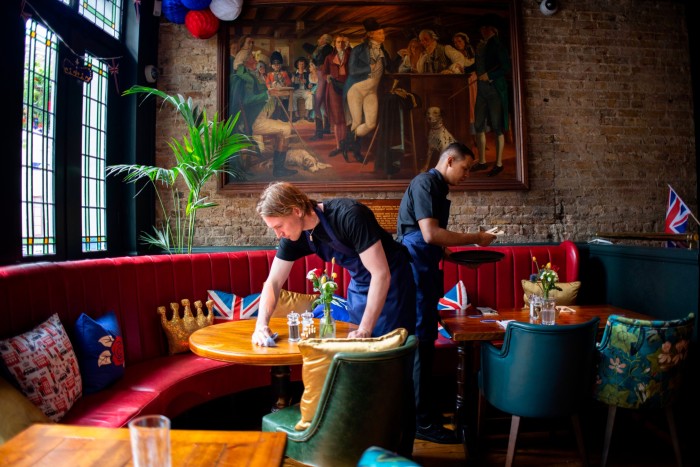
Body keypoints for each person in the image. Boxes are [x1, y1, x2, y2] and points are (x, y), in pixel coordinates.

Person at [397, 142, 496, 444]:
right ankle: (421, 422)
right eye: (466, 168)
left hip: (423, 270)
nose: (467, 174)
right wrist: (477, 239)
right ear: (450, 160)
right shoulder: (426, 182)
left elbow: (433, 242)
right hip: (415, 273)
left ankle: (422, 414)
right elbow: (428, 234)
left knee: (423, 344)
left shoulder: (436, 188)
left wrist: (459, 257)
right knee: (419, 345)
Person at [230, 36, 297, 178]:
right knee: (286, 128)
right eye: (252, 58)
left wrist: (269, 92)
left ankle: (279, 167)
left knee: (284, 125)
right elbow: (247, 100)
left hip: (260, 117)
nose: (255, 60)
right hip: (254, 121)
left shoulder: (252, 76)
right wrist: (267, 94)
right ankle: (278, 169)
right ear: (247, 62)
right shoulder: (246, 79)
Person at [344, 18, 396, 162]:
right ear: (371, 34)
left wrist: (400, 56)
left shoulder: (382, 50)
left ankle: (347, 141)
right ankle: (357, 152)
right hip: (356, 90)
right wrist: (369, 68)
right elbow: (353, 70)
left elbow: (390, 68)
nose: (383, 36)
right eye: (380, 33)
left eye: (383, 33)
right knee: (357, 121)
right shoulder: (358, 50)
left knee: (370, 124)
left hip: (371, 91)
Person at [466, 14, 511, 177]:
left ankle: (498, 164)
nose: (482, 30)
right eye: (481, 28)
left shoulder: (498, 45)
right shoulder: (481, 45)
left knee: (498, 127)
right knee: (478, 125)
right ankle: (483, 162)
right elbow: (476, 65)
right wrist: (461, 69)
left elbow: (506, 67)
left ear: (492, 29)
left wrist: (490, 76)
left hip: (495, 90)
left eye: (485, 28)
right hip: (482, 90)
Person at [322, 35, 352, 160]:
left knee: (345, 118)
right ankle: (338, 146)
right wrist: (327, 77)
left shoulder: (350, 55)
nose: (341, 44)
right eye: (338, 42)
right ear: (335, 44)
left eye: (343, 42)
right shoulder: (329, 58)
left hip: (347, 86)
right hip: (334, 88)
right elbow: (324, 73)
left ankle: (345, 145)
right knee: (337, 118)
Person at [308, 34, 334, 141]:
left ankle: (319, 133)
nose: (318, 39)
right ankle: (326, 128)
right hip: (321, 77)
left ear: (324, 40)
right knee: (323, 104)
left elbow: (322, 62)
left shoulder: (327, 48)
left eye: (320, 38)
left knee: (317, 104)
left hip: (323, 77)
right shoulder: (321, 49)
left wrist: (314, 60)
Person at [452, 32, 478, 139]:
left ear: (465, 41)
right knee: (464, 106)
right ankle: (465, 135)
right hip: (461, 81)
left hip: (473, 80)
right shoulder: (455, 55)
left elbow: (475, 66)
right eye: (455, 42)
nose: (457, 44)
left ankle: (477, 136)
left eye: (459, 41)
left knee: (474, 105)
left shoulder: (470, 52)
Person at [291, 57, 314, 122]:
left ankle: (306, 114)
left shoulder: (308, 74)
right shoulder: (294, 74)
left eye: (303, 64)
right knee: (292, 96)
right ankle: (296, 115)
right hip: (297, 90)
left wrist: (308, 84)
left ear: (305, 65)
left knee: (310, 96)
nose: (301, 66)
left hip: (305, 90)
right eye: (300, 64)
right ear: (297, 65)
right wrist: (292, 81)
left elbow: (310, 84)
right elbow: (292, 85)